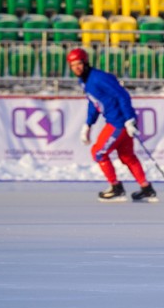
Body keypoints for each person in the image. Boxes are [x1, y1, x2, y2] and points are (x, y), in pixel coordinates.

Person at [67, 48, 157, 202]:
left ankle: (116, 187)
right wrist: (88, 124)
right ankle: (145, 188)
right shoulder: (84, 81)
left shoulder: (99, 78)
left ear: (85, 62)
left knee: (98, 152)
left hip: (118, 122)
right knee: (127, 156)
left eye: (79, 63)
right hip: (116, 121)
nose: (77, 67)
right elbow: (93, 102)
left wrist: (129, 119)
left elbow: (122, 94)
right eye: (73, 65)